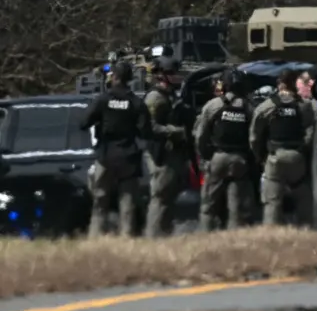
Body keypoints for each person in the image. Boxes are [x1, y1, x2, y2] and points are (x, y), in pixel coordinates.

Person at [79, 61, 151, 237]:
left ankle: (95, 237)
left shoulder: (103, 100)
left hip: (106, 156)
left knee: (100, 201)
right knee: (127, 203)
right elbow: (145, 131)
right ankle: (126, 239)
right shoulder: (136, 102)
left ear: (115, 77)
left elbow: (83, 123)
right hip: (128, 157)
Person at [251, 68, 317, 225]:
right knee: (304, 201)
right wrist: (302, 150)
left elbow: (254, 137)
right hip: (297, 158)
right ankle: (306, 233)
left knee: (272, 203)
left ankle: (272, 238)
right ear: (294, 83)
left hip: (274, 158)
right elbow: (311, 131)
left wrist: (261, 157)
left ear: (279, 83)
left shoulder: (267, 106)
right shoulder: (304, 106)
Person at [194, 68, 253, 231]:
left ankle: (206, 239)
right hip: (240, 161)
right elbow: (254, 136)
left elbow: (200, 136)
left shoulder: (214, 105)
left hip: (218, 158)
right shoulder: (249, 108)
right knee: (236, 209)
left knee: (208, 207)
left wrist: (205, 157)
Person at [142, 56, 190, 238]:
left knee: (169, 197)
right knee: (160, 196)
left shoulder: (171, 95)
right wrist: (175, 131)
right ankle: (154, 236)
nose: (177, 76)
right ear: (162, 75)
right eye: (173, 73)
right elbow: (150, 126)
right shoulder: (155, 98)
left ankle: (165, 233)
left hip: (173, 154)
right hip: (160, 154)